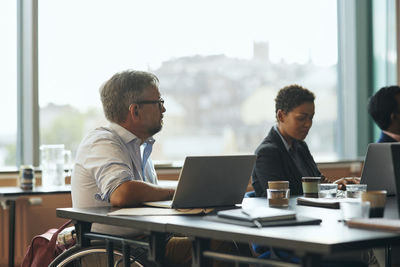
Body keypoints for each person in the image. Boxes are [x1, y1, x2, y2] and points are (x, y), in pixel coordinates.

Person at [72, 70, 237, 267]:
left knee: (225, 236)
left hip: (148, 241)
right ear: (135, 111)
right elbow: (122, 193)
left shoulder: (139, 147)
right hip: (116, 250)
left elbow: (144, 196)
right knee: (221, 245)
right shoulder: (102, 142)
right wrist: (178, 192)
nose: (164, 109)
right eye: (159, 102)